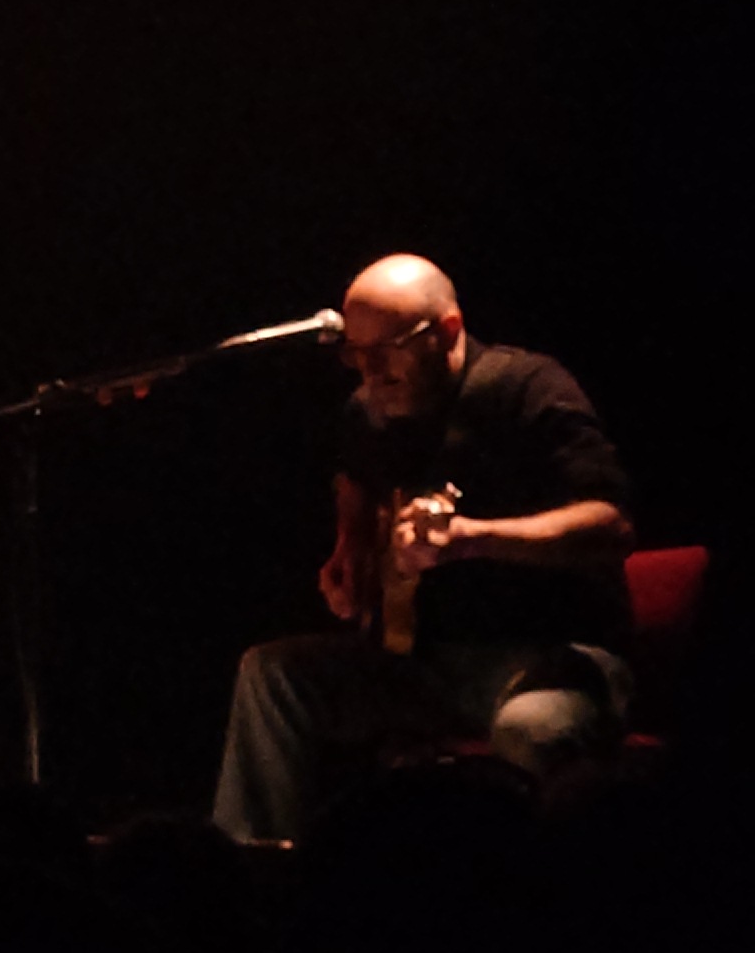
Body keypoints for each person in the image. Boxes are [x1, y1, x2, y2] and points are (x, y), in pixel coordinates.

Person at [212, 253, 635, 841]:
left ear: (448, 330)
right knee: (272, 675)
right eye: (356, 353)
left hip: (554, 658)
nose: (369, 371)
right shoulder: (369, 411)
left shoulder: (527, 387)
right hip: (429, 664)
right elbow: (354, 477)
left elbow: (611, 526)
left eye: (389, 350)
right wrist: (350, 548)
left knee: (532, 729)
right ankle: (253, 869)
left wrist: (471, 538)